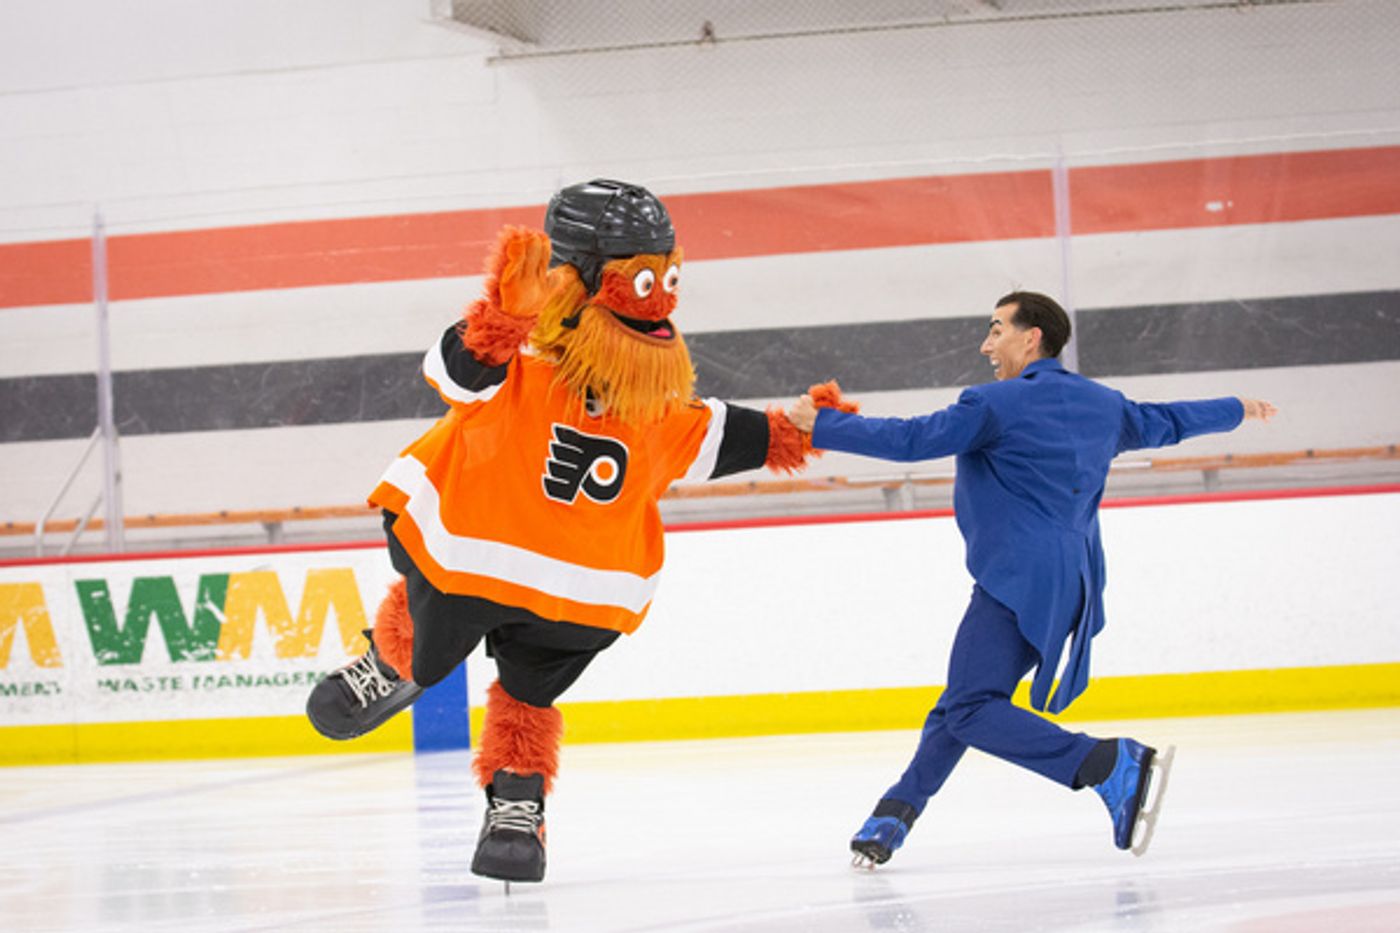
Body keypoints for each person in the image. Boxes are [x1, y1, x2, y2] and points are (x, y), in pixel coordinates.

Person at [304, 179, 852, 884]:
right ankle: (397, 663)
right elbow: (459, 373)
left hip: (571, 581)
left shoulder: (653, 402)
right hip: (487, 556)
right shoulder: (524, 363)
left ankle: (514, 803)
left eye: (665, 279)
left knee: (527, 695)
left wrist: (791, 428)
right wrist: (500, 319)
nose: (659, 306)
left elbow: (723, 433)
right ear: (578, 281)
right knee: (446, 628)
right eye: (639, 281)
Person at [787, 290, 1276, 864]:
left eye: (997, 330)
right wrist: (1237, 407)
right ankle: (892, 817)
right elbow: (1168, 421)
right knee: (966, 701)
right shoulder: (1104, 405)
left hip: (1015, 581)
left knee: (970, 707)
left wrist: (820, 426)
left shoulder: (992, 405)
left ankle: (1103, 763)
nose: (986, 344)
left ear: (1031, 337)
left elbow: (914, 440)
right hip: (1072, 581)